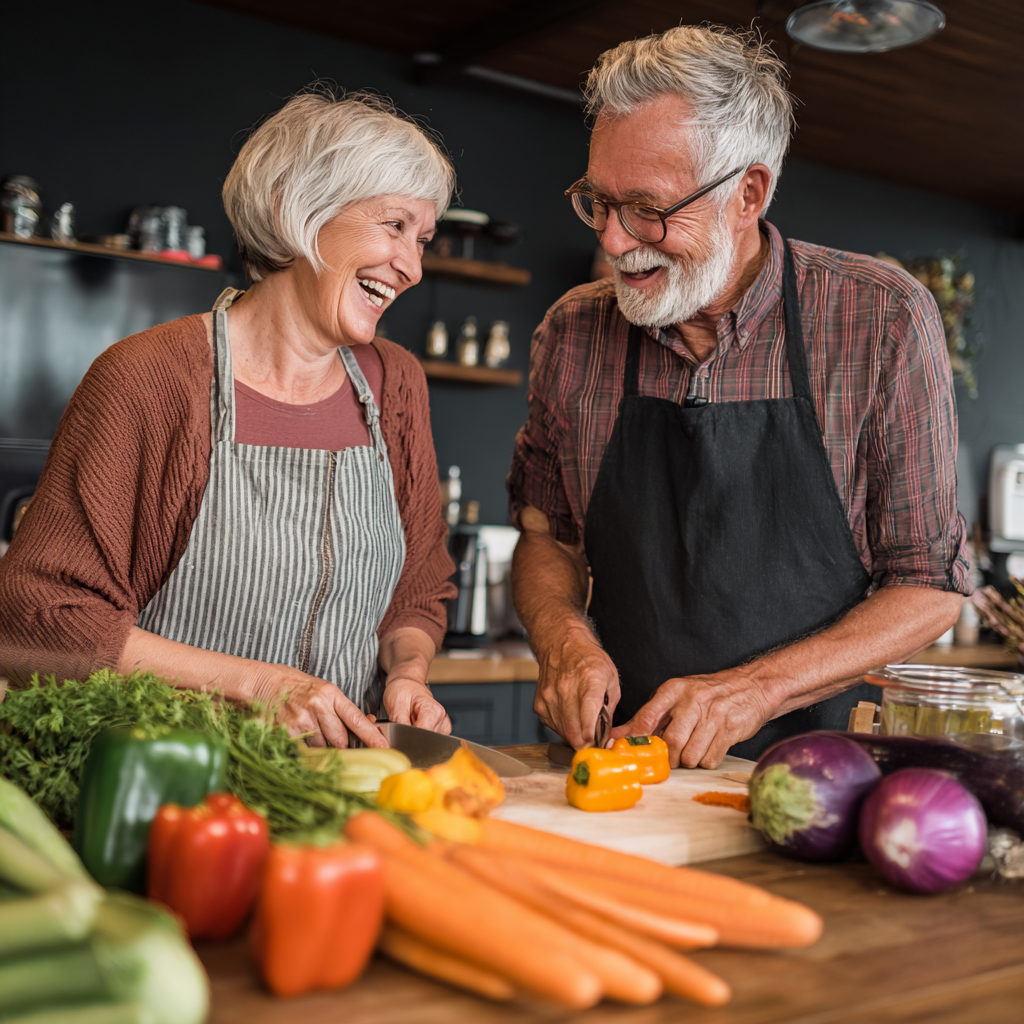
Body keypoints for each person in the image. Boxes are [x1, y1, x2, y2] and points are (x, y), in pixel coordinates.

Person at [508, 27, 969, 769]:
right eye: (599, 202)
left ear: (747, 194)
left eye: (647, 209)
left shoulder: (880, 319)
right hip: (619, 765)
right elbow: (546, 536)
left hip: (823, 776)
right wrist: (563, 638)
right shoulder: (575, 332)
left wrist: (753, 690)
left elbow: (929, 585)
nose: (615, 241)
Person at [0, 89, 458, 748]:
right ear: (295, 208)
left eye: (422, 239)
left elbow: (416, 587)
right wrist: (258, 685)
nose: (412, 267)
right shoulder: (149, 378)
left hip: (338, 784)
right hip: (164, 774)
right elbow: (37, 615)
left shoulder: (397, 383)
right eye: (394, 226)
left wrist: (407, 674)